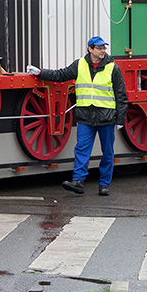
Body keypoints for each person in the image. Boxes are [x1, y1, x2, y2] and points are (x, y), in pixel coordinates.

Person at [27, 36, 127, 195]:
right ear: (90, 49)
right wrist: (40, 72)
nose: (103, 51)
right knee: (81, 150)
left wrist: (121, 119)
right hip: (85, 116)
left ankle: (104, 184)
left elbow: (121, 95)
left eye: (104, 48)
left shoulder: (112, 68)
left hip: (106, 117)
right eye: (99, 48)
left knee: (107, 152)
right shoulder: (79, 64)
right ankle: (78, 181)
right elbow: (61, 75)